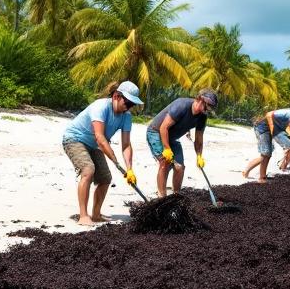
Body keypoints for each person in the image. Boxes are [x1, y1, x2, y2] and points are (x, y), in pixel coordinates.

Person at [63, 80, 143, 225]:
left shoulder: (127, 117)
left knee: (105, 178)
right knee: (88, 170)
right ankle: (83, 216)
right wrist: (115, 161)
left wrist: (130, 169)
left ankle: (96, 214)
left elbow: (126, 145)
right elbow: (99, 137)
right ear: (117, 96)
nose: (129, 108)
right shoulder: (101, 106)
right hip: (75, 139)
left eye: (132, 105)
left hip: (94, 145)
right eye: (128, 103)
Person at [147, 89, 217, 197]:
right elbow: (163, 127)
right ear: (201, 99)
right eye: (208, 106)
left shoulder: (202, 117)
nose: (208, 110)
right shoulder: (182, 105)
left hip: (172, 138)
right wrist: (166, 149)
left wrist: (199, 156)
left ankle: (176, 196)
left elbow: (198, 139)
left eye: (211, 108)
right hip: (156, 132)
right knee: (165, 162)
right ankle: (162, 196)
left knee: (180, 167)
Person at [242, 100, 290, 182]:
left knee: (288, 148)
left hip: (276, 130)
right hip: (263, 127)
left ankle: (279, 170)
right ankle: (261, 178)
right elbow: (269, 114)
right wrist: (271, 127)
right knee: (266, 154)